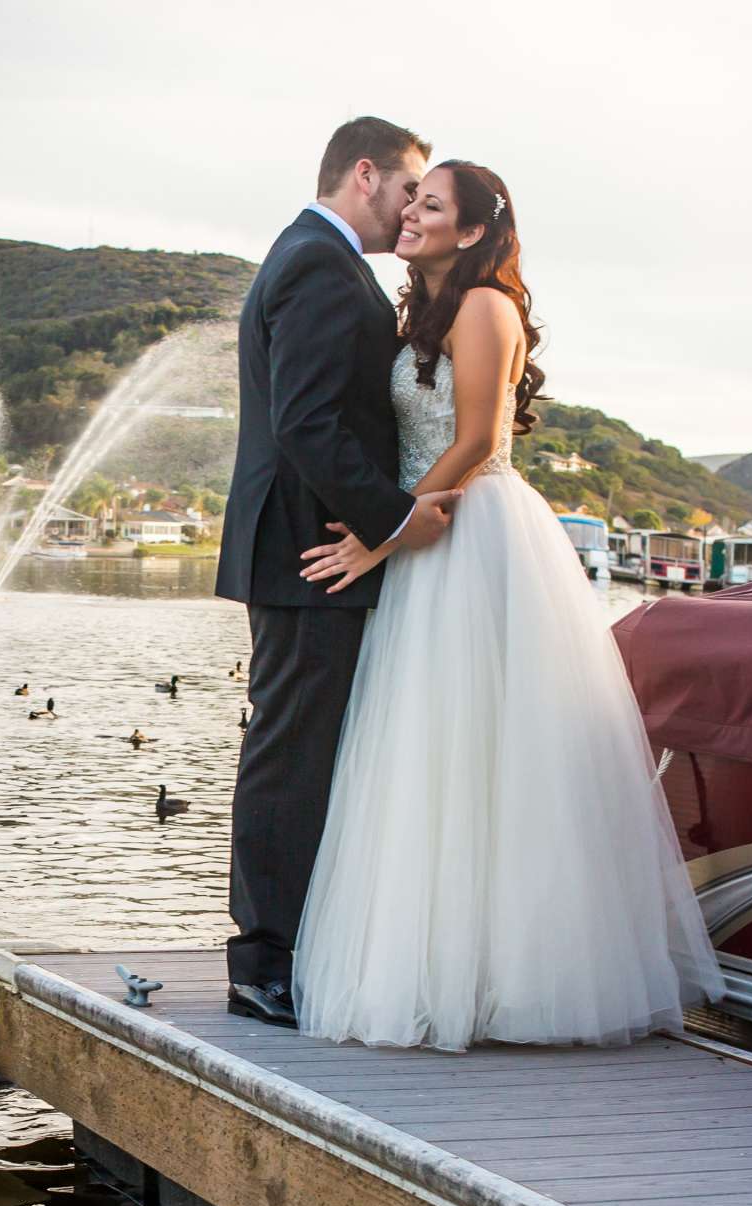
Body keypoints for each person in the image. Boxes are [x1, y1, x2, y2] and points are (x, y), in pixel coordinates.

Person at [289, 160, 721, 1049]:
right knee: (429, 754)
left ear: (476, 231)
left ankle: (511, 980)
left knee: (490, 755)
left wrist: (387, 529)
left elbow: (482, 437)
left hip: (472, 534)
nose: (412, 215)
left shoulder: (486, 307)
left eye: (433, 205)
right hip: (428, 534)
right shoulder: (422, 313)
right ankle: (441, 969)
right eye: (412, 201)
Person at [217, 116, 462, 1028]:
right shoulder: (319, 264)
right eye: (408, 189)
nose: (409, 211)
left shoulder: (312, 256)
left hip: (306, 547)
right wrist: (399, 522)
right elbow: (308, 424)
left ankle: (288, 946)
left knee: (307, 747)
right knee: (291, 752)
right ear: (367, 174)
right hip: (308, 551)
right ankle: (263, 960)